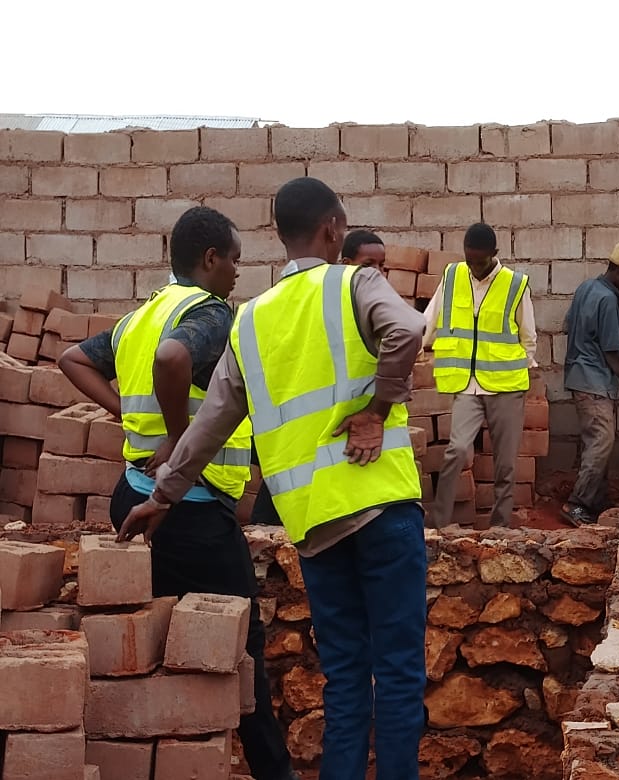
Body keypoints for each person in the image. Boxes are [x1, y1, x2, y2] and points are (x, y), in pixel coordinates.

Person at [116, 177, 428, 780]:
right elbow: (409, 331)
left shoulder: (250, 320)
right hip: (380, 507)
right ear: (334, 228)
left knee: (343, 678)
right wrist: (377, 410)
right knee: (396, 672)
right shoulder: (354, 282)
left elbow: (206, 425)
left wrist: (161, 495)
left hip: (313, 524)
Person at [57, 206, 297, 780]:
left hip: (132, 494)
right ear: (210, 259)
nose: (239, 272)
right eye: (235, 260)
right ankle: (272, 772)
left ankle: (152, 760)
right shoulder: (210, 312)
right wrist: (175, 435)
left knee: (151, 642)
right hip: (187, 511)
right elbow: (175, 358)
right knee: (240, 644)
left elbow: (72, 360)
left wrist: (131, 421)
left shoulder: (143, 315)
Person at [423, 222, 537, 529]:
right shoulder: (452, 275)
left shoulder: (514, 284)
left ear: (495, 254)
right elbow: (429, 320)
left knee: (506, 463)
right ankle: (439, 525)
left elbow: (528, 336)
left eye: (480, 261)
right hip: (466, 384)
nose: (474, 267)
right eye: (469, 259)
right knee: (457, 450)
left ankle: (499, 527)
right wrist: (416, 347)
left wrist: (522, 371)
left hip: (505, 387)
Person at [559, 241, 619, 526]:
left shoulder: (587, 287)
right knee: (602, 442)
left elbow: (567, 325)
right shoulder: (608, 300)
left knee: (595, 442)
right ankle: (577, 503)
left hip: (579, 375)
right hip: (593, 380)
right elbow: (611, 351)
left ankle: (597, 501)